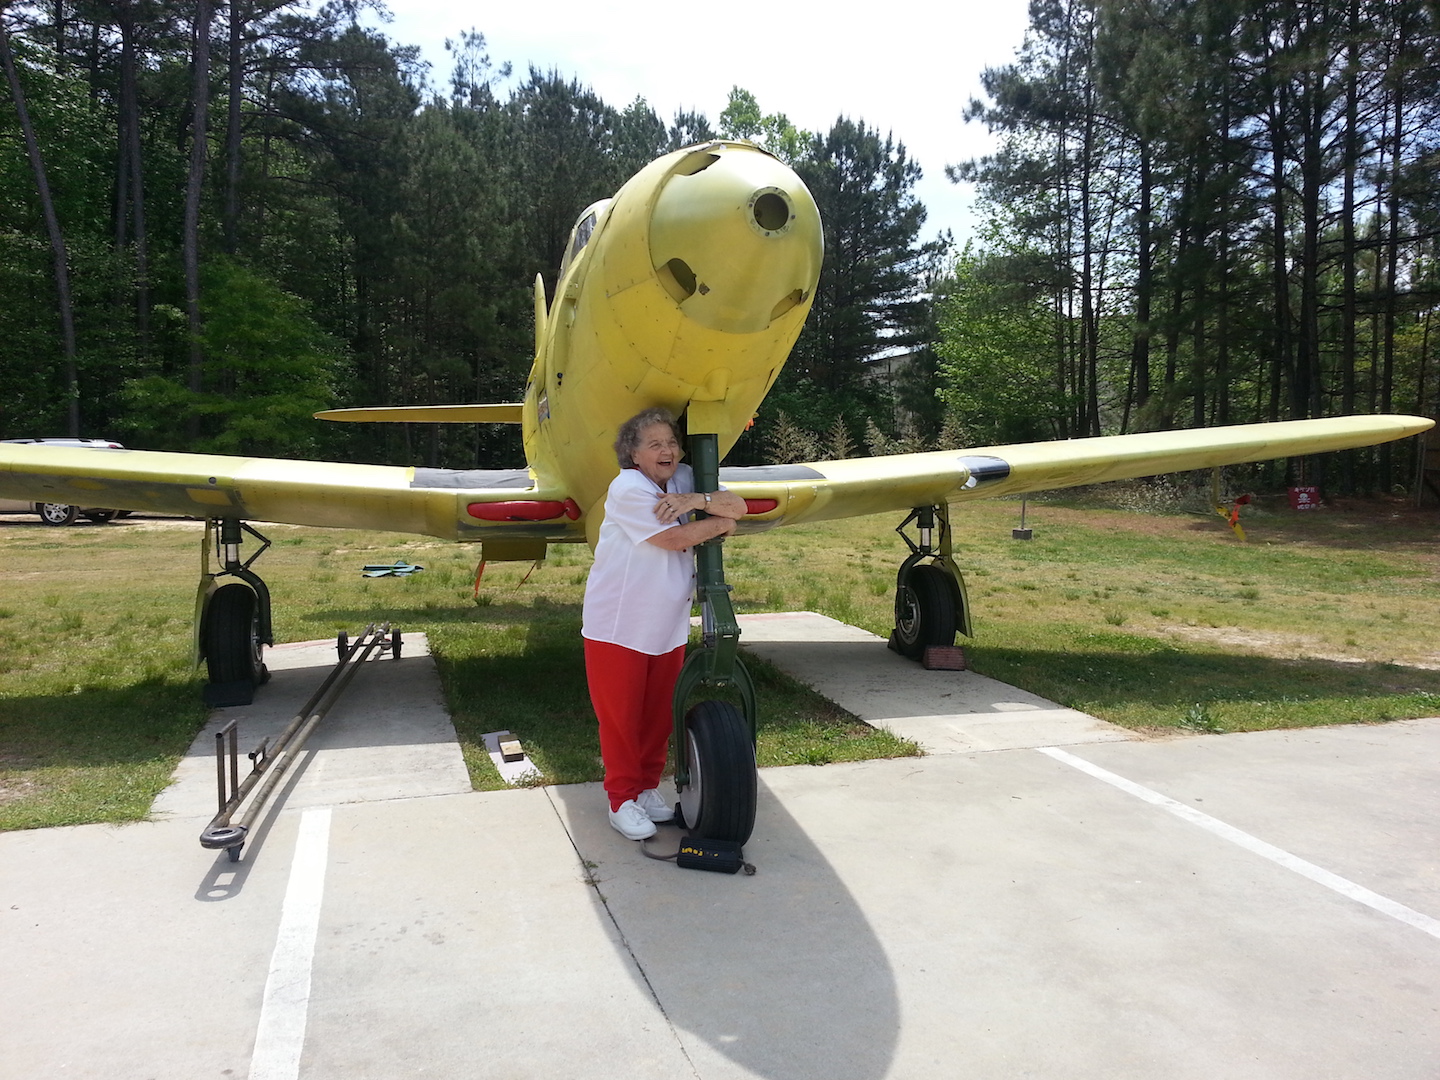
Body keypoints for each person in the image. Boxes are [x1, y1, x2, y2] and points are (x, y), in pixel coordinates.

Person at [582, 407, 748, 840]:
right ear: (633, 455)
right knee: (621, 718)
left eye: (671, 442)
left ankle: (647, 788)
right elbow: (672, 538)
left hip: (667, 620)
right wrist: (719, 523)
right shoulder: (627, 488)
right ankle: (621, 799)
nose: (667, 450)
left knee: (658, 715)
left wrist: (698, 502)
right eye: (654, 444)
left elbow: (739, 506)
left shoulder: (684, 479)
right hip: (619, 624)